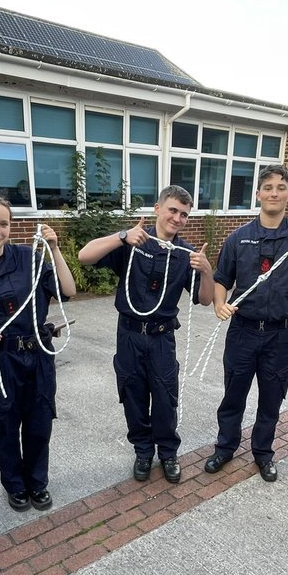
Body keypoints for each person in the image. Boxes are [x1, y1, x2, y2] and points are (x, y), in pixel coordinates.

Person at [76, 185, 215, 483]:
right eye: (173, 210)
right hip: (128, 335)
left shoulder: (186, 253)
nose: (177, 218)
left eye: (184, 215)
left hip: (162, 337)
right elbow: (84, 255)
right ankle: (142, 450)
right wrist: (121, 236)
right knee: (133, 394)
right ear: (157, 209)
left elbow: (205, 300)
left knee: (165, 397)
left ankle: (167, 453)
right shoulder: (132, 241)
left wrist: (206, 271)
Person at [205, 164, 288, 481]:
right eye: (268, 187)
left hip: (281, 335)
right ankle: (225, 447)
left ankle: (263, 453)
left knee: (271, 398)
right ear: (258, 194)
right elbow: (222, 278)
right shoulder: (240, 237)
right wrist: (220, 304)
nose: (274, 192)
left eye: (281, 187)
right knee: (233, 394)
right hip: (243, 332)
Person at [0, 195, 76, 511]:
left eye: (3, 223)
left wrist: (56, 248)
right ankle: (15, 485)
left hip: (38, 356)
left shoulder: (29, 258)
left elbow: (68, 290)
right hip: (1, 359)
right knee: (4, 426)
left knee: (38, 425)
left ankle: (37, 483)